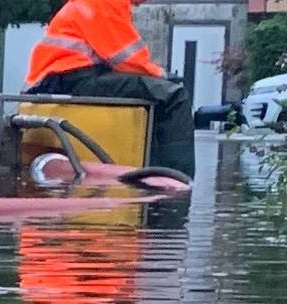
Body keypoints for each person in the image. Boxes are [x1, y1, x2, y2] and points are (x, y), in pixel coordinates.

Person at [24, 0, 197, 175]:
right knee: (174, 96)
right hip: (71, 79)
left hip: (60, 80)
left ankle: (155, 173)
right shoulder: (109, 2)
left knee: (154, 94)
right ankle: (178, 179)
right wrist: (163, 76)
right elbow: (128, 59)